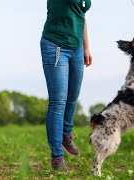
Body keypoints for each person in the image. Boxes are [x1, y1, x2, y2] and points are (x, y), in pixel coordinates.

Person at [40, 0, 92, 171]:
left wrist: (86, 48)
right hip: (56, 45)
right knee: (58, 101)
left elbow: (81, 15)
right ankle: (57, 157)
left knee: (72, 96)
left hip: (76, 48)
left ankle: (65, 134)